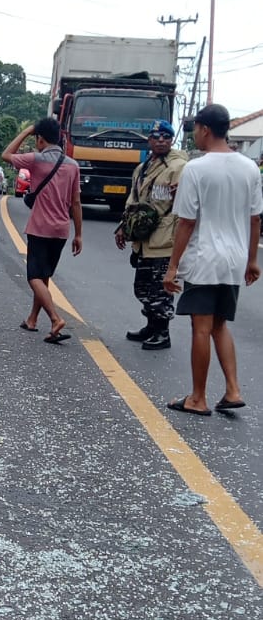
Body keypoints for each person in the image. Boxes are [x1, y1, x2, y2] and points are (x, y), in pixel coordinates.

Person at [164, 103, 262, 416]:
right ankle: (232, 390)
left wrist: (172, 266)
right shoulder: (249, 168)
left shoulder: (196, 168)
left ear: (206, 129)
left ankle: (197, 397)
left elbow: (187, 222)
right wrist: (251, 260)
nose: (194, 134)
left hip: (205, 257)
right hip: (234, 259)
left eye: (195, 128)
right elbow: (255, 219)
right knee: (220, 324)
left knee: (201, 327)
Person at [2, 116, 82, 342]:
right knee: (44, 275)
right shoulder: (73, 165)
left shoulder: (36, 160)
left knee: (34, 277)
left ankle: (56, 319)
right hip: (61, 230)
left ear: (40, 139)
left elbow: (6, 154)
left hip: (40, 228)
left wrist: (27, 131)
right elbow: (76, 202)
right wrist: (79, 234)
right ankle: (33, 319)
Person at [114, 119, 188, 350]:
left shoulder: (180, 168)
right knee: (143, 287)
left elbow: (186, 204)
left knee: (160, 289)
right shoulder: (143, 167)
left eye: (166, 136)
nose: (161, 141)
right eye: (156, 137)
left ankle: (162, 332)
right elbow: (133, 201)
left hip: (165, 237)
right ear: (149, 140)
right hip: (143, 237)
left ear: (172, 139)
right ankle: (151, 325)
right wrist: (123, 227)